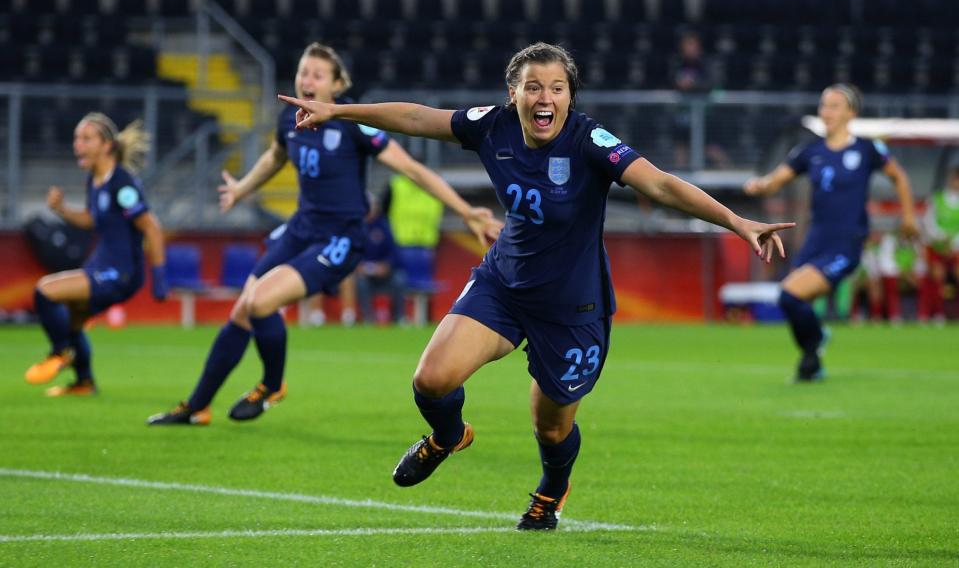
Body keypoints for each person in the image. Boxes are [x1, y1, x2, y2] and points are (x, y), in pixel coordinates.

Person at [280, 42, 793, 530]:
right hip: (504, 285)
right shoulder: (492, 126)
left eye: (556, 88)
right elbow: (417, 118)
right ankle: (449, 436)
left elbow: (658, 183)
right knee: (431, 380)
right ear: (513, 94)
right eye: (532, 87)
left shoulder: (591, 141)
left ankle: (551, 490)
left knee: (551, 428)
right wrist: (341, 112)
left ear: (571, 96)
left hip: (572, 307)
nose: (544, 98)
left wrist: (736, 221)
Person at [148, 42, 500, 426]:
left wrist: (466, 211)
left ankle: (270, 385)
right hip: (301, 229)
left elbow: (412, 169)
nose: (307, 80)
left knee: (260, 302)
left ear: (337, 86)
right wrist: (242, 188)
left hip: (340, 238)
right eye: (303, 72)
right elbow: (275, 155)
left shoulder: (354, 122)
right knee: (242, 310)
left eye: (317, 74)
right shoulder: (290, 119)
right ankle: (197, 406)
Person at [745, 84, 919, 380]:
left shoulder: (866, 148)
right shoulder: (810, 151)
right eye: (824, 105)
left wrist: (908, 217)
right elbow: (776, 181)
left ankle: (816, 343)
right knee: (798, 305)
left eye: (835, 105)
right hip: (816, 241)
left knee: (789, 296)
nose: (827, 111)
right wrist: (759, 184)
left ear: (851, 112)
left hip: (846, 243)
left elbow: (899, 177)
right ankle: (811, 364)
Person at [24, 112, 167, 396]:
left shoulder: (121, 184)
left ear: (106, 145)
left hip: (119, 272)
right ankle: (84, 382)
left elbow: (152, 227)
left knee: (45, 291)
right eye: (77, 138)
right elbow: (92, 219)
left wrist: (160, 276)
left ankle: (60, 352)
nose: (78, 144)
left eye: (86, 138)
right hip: (102, 265)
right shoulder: (96, 179)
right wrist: (62, 209)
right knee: (73, 318)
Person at [671, 31, 730, 170]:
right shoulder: (678, 64)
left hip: (704, 115)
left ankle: (727, 170)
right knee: (681, 147)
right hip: (683, 116)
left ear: (699, 48)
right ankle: (678, 181)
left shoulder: (707, 64)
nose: (690, 49)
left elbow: (713, 84)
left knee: (710, 147)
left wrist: (693, 85)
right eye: (687, 46)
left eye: (692, 46)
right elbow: (670, 82)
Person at [354, 195, 406, 324]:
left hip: (384, 273)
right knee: (360, 282)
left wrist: (386, 266)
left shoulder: (384, 226)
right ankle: (368, 319)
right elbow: (351, 252)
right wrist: (358, 266)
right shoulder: (356, 227)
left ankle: (398, 318)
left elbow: (394, 253)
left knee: (399, 279)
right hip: (364, 275)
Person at [919, 166, 959, 324]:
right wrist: (941, 238)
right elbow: (928, 222)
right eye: (956, 179)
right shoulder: (937, 198)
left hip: (955, 246)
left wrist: (953, 242)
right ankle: (937, 313)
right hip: (937, 245)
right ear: (951, 179)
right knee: (937, 276)